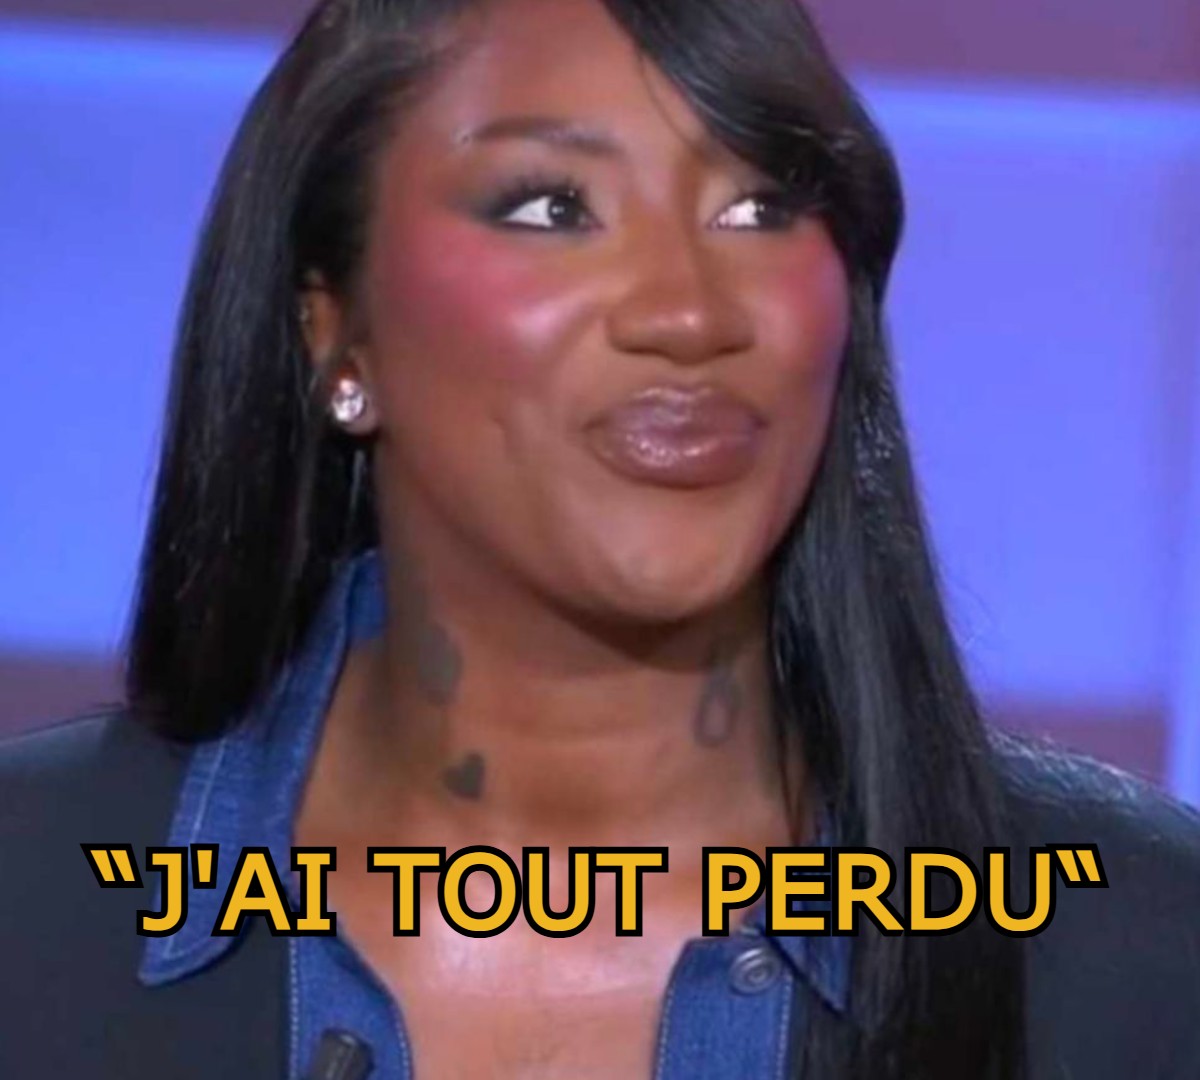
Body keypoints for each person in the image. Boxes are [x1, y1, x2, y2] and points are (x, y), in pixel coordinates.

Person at [1, 0, 1198, 1077]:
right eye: (554, 205)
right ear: (336, 332)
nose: (689, 312)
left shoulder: (1142, 949)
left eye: (758, 206)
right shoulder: (33, 896)